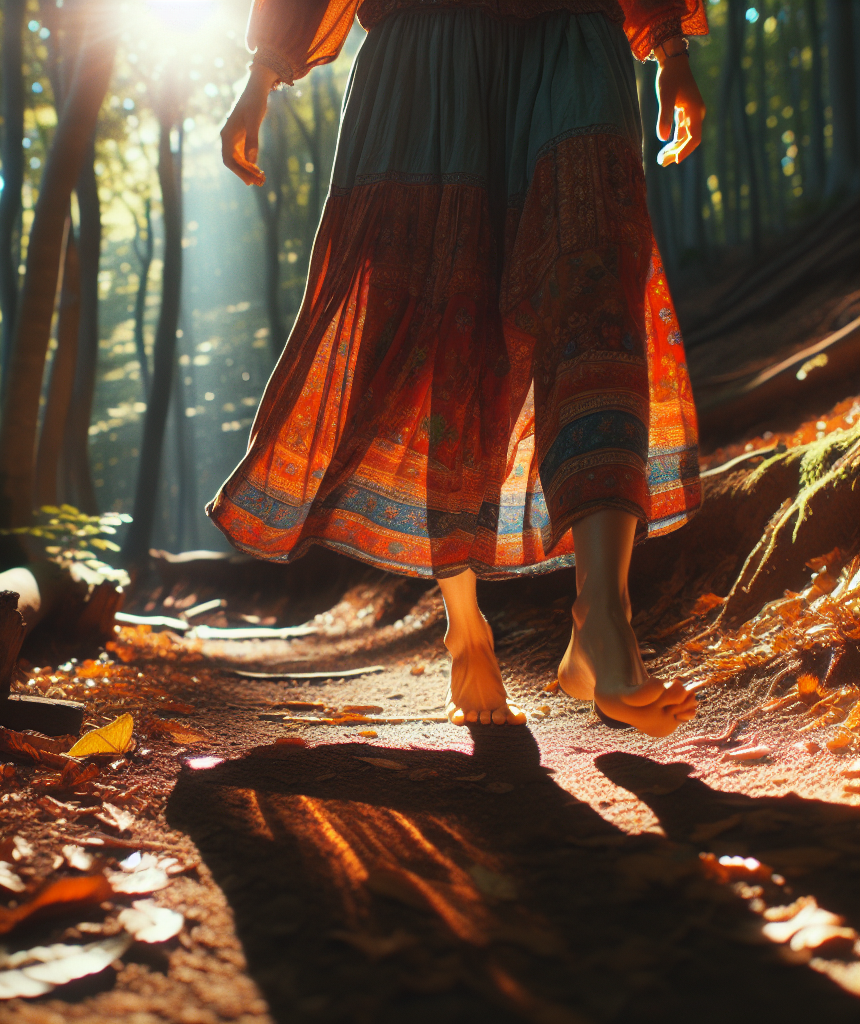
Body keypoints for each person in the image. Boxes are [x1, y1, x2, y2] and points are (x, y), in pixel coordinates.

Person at [208, 0, 708, 736]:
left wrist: (669, 47)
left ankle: (605, 616)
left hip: (574, 35)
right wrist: (263, 72)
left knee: (596, 300)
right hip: (424, 51)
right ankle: (465, 623)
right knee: (442, 332)